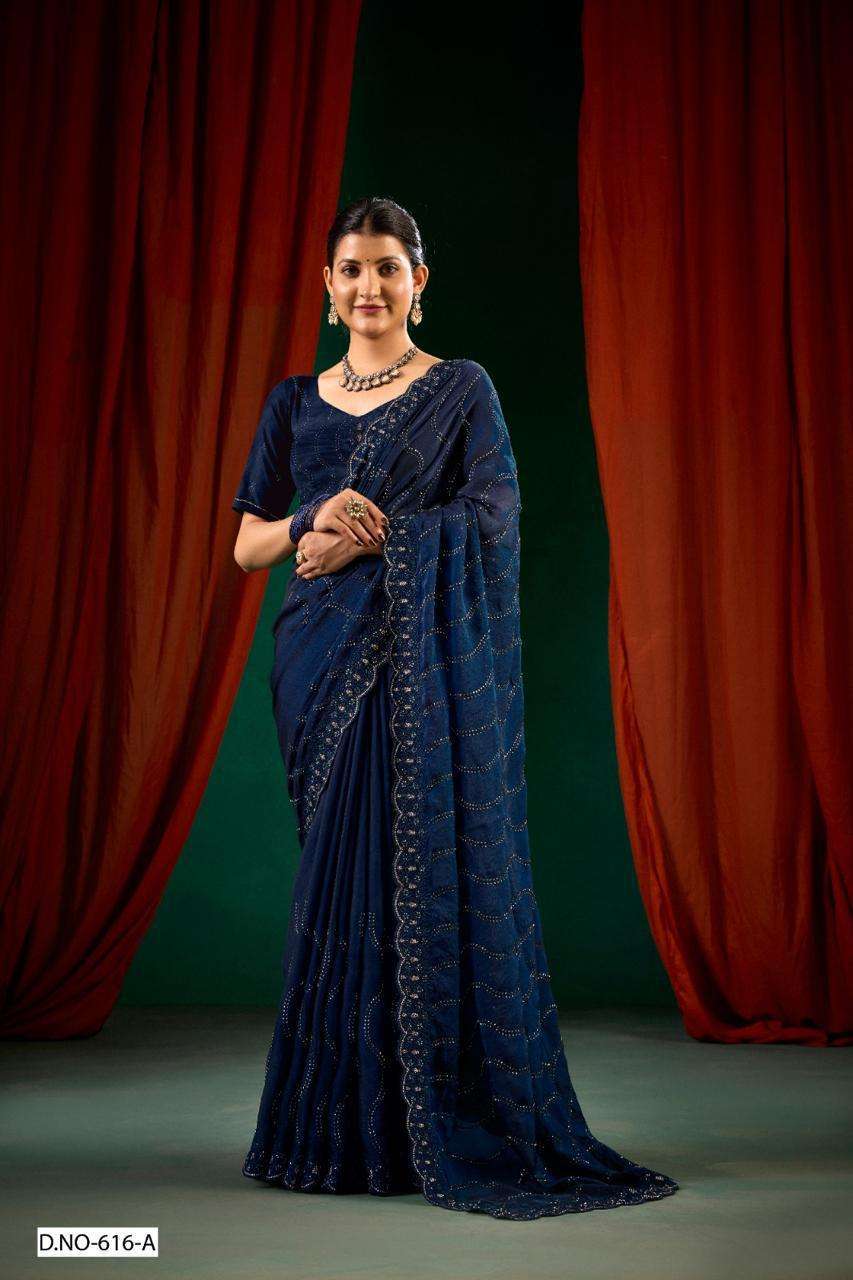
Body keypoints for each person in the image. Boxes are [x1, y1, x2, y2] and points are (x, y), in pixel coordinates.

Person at [231, 196, 679, 1220]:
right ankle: (331, 1131)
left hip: (414, 660)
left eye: (387, 267)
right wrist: (311, 516)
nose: (368, 286)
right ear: (327, 285)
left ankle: (416, 1125)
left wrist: (377, 538)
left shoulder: (461, 389)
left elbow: (491, 518)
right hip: (315, 663)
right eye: (351, 269)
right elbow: (248, 544)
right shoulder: (292, 401)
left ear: (418, 282)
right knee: (339, 884)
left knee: (411, 875)